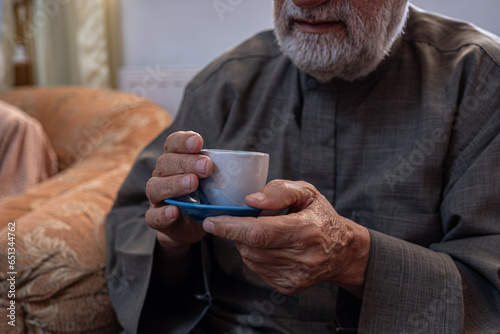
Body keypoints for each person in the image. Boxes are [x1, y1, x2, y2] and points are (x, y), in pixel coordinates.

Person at [106, 0, 500, 333]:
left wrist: (354, 258)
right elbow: (132, 221)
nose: (305, 1)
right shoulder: (226, 83)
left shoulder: (481, 80)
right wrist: (172, 242)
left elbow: (490, 288)